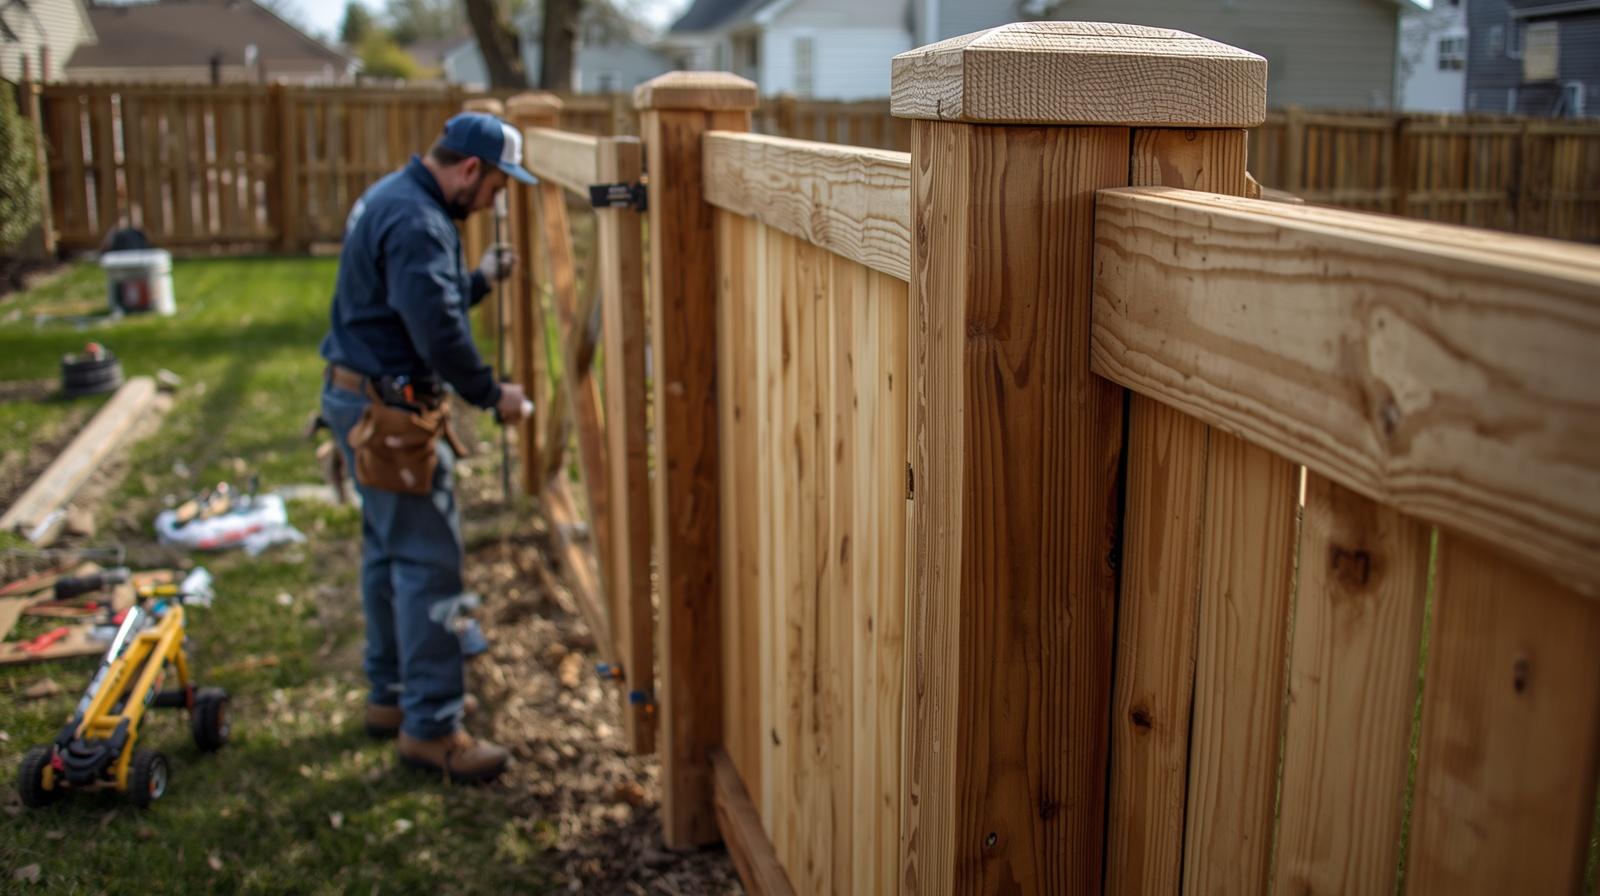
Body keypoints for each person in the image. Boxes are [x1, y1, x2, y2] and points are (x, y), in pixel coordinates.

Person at [318, 112, 533, 784]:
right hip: (391, 417)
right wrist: (490, 392)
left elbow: (411, 302)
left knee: (387, 554)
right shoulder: (418, 221)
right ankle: (433, 728)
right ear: (470, 170)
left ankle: (390, 697)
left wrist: (478, 280)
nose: (495, 202)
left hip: (357, 397)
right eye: (497, 188)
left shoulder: (393, 196)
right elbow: (436, 330)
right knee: (429, 567)